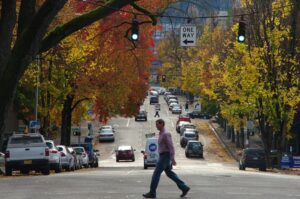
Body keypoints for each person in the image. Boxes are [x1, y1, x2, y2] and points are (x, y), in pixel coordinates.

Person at [143, 119, 190, 198]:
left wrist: (173, 158)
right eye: (156, 124)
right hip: (163, 156)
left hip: (165, 156)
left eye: (157, 124)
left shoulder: (166, 134)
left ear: (162, 124)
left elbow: (171, 147)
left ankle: (152, 193)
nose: (156, 126)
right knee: (170, 173)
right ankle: (184, 187)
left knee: (156, 174)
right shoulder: (161, 133)